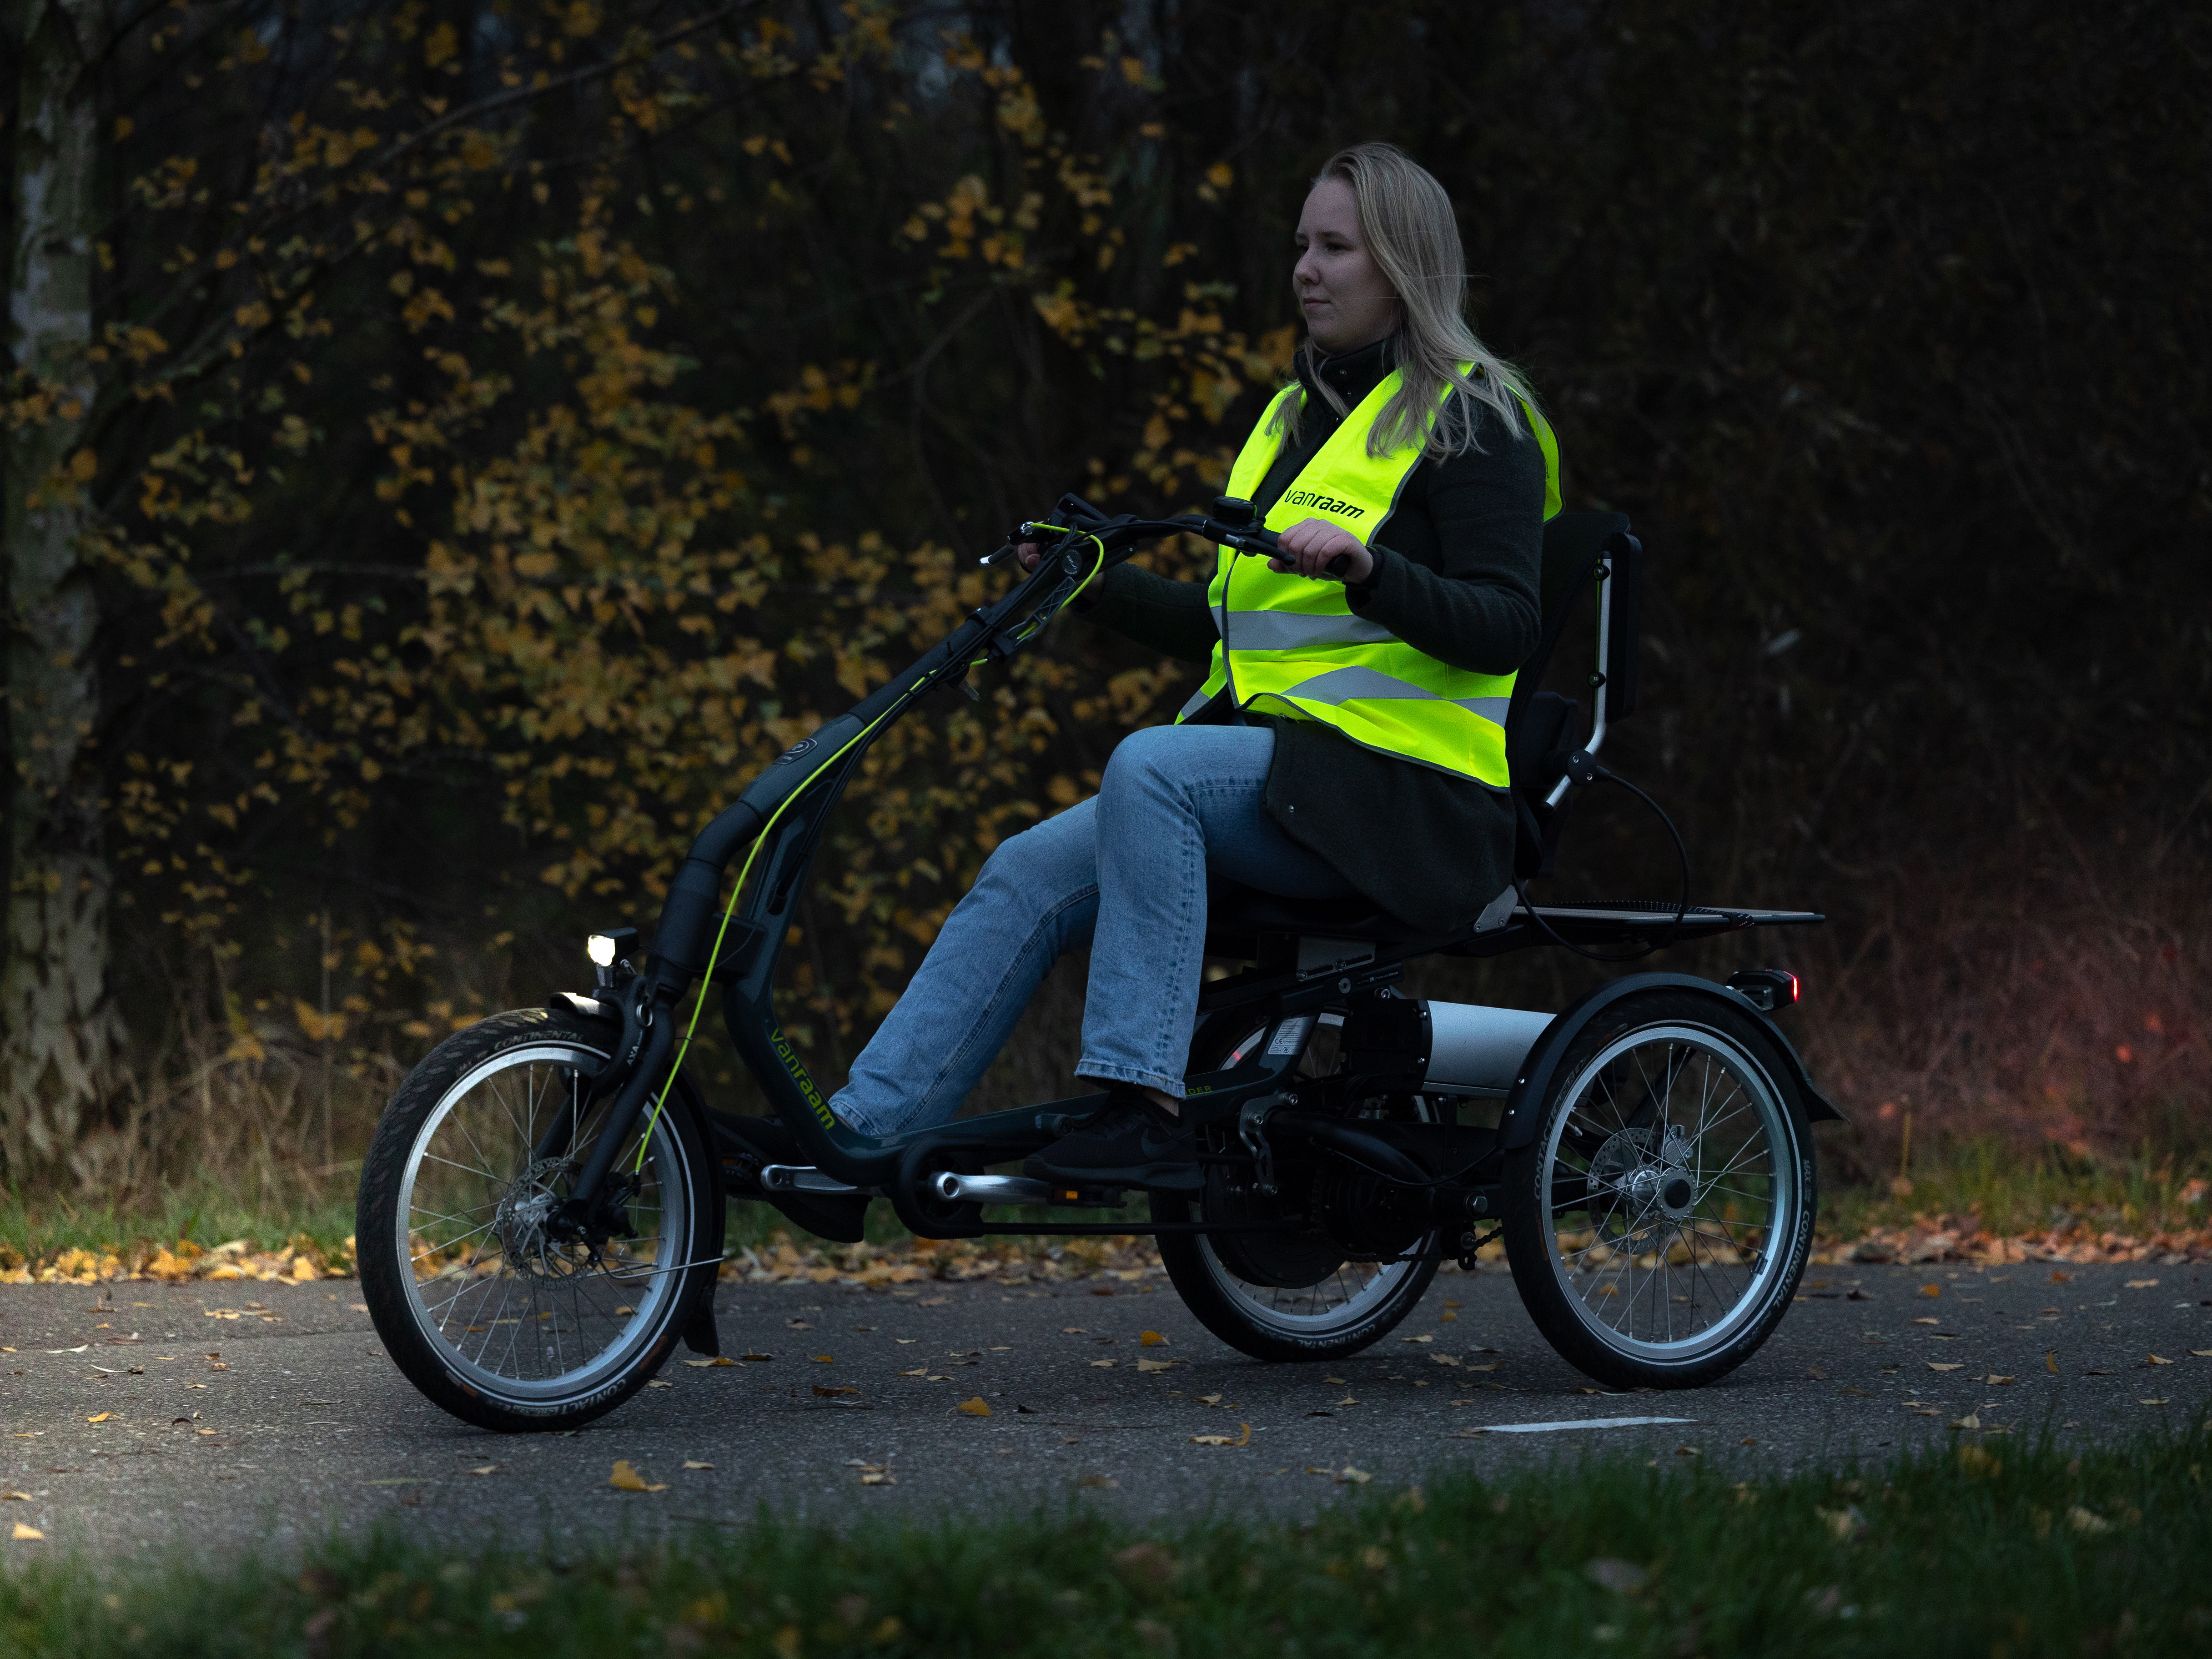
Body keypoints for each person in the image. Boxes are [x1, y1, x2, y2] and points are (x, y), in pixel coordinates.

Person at [826, 140, 1558, 1187]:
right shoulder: (1294, 420)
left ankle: (1144, 1104)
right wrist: (1085, 580)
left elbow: (1506, 626)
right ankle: (865, 1137)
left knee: (1148, 767)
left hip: (1409, 805)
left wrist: (1370, 570)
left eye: (1335, 248)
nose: (1305, 268)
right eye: (1300, 245)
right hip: (1293, 786)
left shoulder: (1474, 421)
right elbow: (1237, 631)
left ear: (1401, 264)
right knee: (1023, 872)